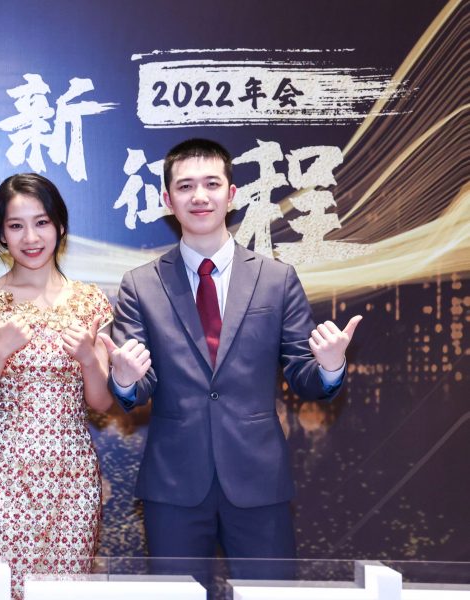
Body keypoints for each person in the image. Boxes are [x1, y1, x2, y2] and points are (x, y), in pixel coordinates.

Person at [103, 138, 362, 574]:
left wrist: (331, 365)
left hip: (259, 480)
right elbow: (135, 389)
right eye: (185, 186)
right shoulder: (140, 284)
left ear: (232, 195)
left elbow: (304, 376)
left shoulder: (276, 279)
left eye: (211, 184)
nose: (199, 196)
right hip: (174, 484)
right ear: (167, 200)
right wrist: (125, 378)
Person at [0, 173, 114, 600]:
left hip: (73, 473)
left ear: (60, 226)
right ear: (0, 234)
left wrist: (88, 358)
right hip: (4, 471)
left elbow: (102, 403)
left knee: (65, 590)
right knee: (1, 588)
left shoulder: (90, 300)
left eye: (42, 222)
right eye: (16, 225)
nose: (30, 237)